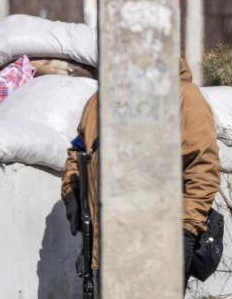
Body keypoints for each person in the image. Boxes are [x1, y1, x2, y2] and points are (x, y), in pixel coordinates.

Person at [61, 58, 221, 275]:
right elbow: (78, 150)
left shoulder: (184, 98)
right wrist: (72, 189)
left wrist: (185, 229)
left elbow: (202, 167)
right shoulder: (99, 102)